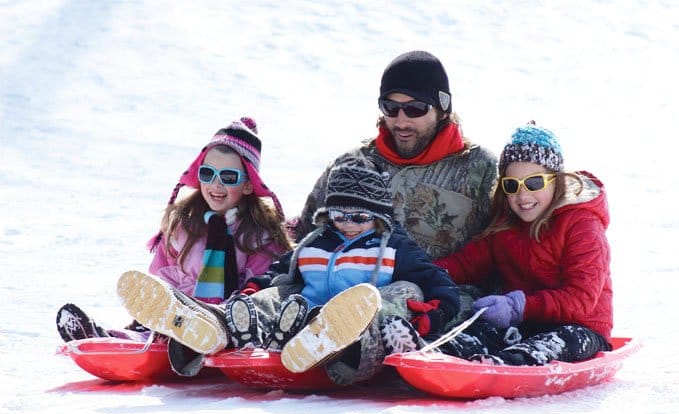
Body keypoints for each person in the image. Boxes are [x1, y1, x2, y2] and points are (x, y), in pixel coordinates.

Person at [117, 164, 460, 381]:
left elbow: (439, 283)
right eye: (341, 216)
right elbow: (278, 271)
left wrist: (436, 311)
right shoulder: (314, 243)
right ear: (328, 214)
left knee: (397, 292)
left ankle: (332, 340)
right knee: (277, 293)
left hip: (358, 328)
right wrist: (254, 291)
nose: (349, 225)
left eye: (360, 218)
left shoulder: (395, 246)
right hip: (302, 319)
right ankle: (213, 326)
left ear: (379, 217)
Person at [56, 117, 293, 351]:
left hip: (228, 325)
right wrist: (156, 306)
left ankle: (191, 337)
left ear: (249, 184)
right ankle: (108, 340)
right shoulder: (184, 225)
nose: (216, 185)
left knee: (200, 330)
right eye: (207, 174)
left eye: (228, 177)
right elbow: (161, 279)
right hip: (177, 321)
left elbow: (262, 289)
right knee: (153, 333)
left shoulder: (259, 234)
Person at [432, 122, 613, 365]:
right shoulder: (507, 225)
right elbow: (467, 263)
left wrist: (518, 306)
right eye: (512, 185)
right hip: (525, 323)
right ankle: (440, 353)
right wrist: (427, 273)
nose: (523, 195)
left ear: (556, 181)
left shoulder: (581, 225)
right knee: (482, 331)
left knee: (556, 341)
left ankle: (508, 363)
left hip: (582, 328)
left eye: (534, 183)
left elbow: (580, 300)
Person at [292, 50, 498, 262]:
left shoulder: (480, 168)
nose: (401, 122)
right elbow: (305, 237)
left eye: (415, 109)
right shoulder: (353, 163)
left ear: (443, 109)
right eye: (390, 107)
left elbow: (503, 247)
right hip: (349, 285)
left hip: (443, 289)